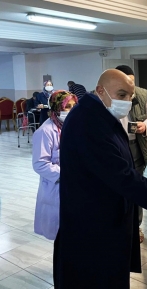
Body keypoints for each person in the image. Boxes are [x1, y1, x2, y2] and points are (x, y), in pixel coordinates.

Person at [54, 69, 147, 289]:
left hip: (105, 219)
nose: (127, 102)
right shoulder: (88, 122)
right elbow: (122, 176)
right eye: (121, 95)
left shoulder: (101, 114)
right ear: (100, 90)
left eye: (130, 96)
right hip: (92, 230)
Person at [116, 64, 147, 243]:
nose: (131, 87)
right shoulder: (107, 97)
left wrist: (145, 126)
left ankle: (136, 226)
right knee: (117, 187)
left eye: (133, 82)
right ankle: (118, 226)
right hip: (115, 147)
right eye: (127, 83)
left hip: (135, 146)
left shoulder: (140, 95)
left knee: (137, 186)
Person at [32, 90, 78, 240]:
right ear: (56, 108)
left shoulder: (71, 126)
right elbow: (40, 163)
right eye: (66, 106)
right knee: (60, 233)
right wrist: (66, 174)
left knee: (73, 230)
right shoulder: (45, 131)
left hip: (74, 185)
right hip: (56, 187)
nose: (71, 110)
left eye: (73, 106)